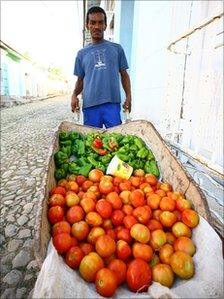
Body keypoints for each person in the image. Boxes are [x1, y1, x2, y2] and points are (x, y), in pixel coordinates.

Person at [71, 6, 132, 128]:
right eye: (93, 22)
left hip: (112, 104)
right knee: (92, 142)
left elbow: (124, 74)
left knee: (115, 141)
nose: (97, 26)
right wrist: (74, 95)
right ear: (87, 25)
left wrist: (129, 95)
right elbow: (80, 80)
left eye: (100, 22)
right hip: (90, 106)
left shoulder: (117, 49)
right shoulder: (81, 54)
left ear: (105, 25)